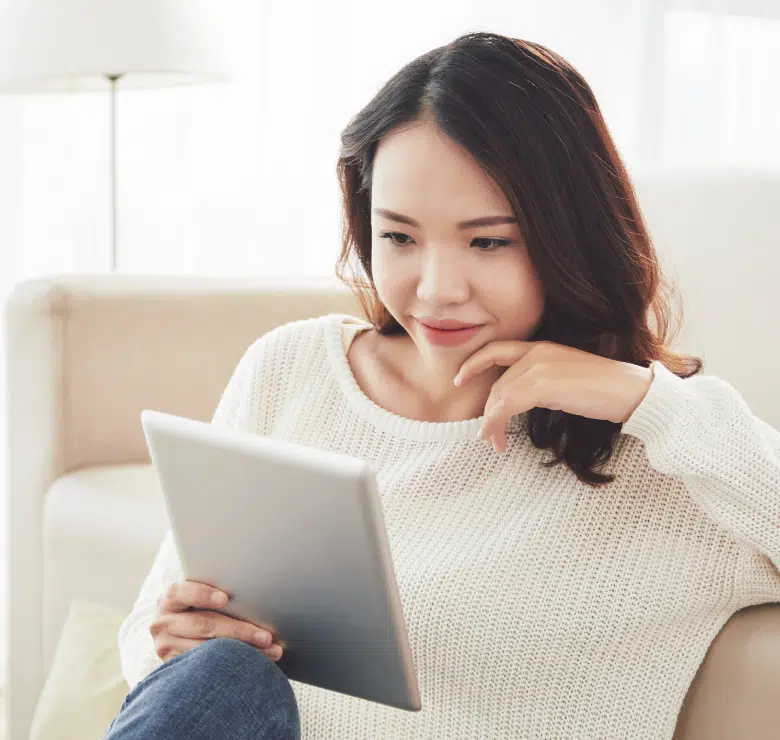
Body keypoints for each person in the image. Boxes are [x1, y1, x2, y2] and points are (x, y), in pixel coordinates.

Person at [105, 30, 780, 740]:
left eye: (488, 241)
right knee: (221, 679)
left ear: (569, 238)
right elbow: (147, 645)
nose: (435, 290)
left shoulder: (670, 455)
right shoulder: (291, 370)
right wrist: (173, 641)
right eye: (399, 237)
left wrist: (644, 402)